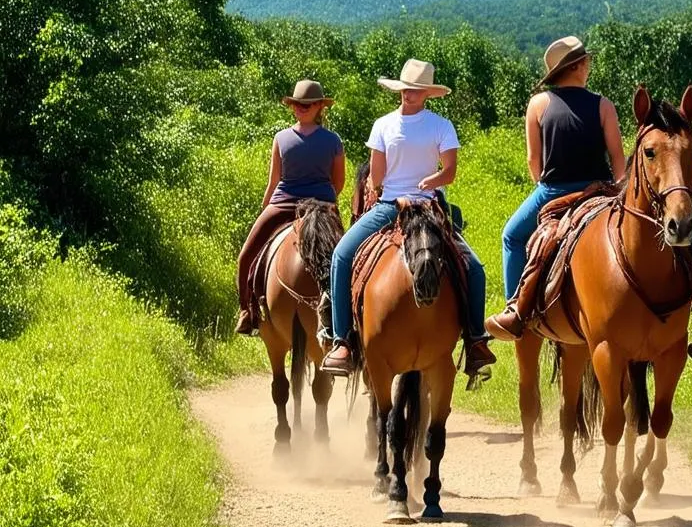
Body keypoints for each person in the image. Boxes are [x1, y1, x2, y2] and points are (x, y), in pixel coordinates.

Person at [320, 59, 496, 378]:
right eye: (405, 89)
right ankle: (341, 341)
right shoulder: (383, 125)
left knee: (474, 267)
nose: (409, 95)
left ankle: (475, 340)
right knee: (341, 255)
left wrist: (432, 182)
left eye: (416, 90)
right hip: (390, 205)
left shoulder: (441, 125)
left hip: (429, 206)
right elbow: (375, 177)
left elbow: (450, 171)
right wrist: (393, 193)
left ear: (427, 93)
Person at [485, 36, 626, 340]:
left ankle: (515, 310)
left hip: (553, 191)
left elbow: (533, 160)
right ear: (577, 67)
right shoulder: (603, 105)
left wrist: (544, 184)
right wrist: (616, 191)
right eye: (586, 61)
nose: (589, 66)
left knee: (511, 236)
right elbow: (618, 159)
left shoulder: (538, 104)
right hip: (599, 190)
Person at [235, 80, 345, 335]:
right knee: (245, 256)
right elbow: (274, 181)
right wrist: (265, 209)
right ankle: (247, 310)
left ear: (320, 106)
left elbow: (337, 181)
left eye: (308, 104)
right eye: (297, 104)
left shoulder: (333, 141)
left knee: (347, 259)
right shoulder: (281, 138)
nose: (302, 108)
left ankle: (347, 321)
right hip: (284, 201)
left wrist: (323, 204)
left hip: (321, 208)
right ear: (292, 107)